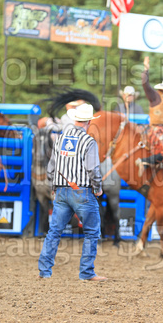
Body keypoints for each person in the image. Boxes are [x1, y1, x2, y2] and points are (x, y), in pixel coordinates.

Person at [38, 103, 107, 282]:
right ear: (89, 122)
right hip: (82, 191)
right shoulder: (89, 141)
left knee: (54, 231)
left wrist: (54, 185)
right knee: (92, 233)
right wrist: (98, 188)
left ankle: (45, 271)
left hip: (61, 191)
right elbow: (93, 169)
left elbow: (51, 166)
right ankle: (86, 272)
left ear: (76, 119)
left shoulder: (60, 139)